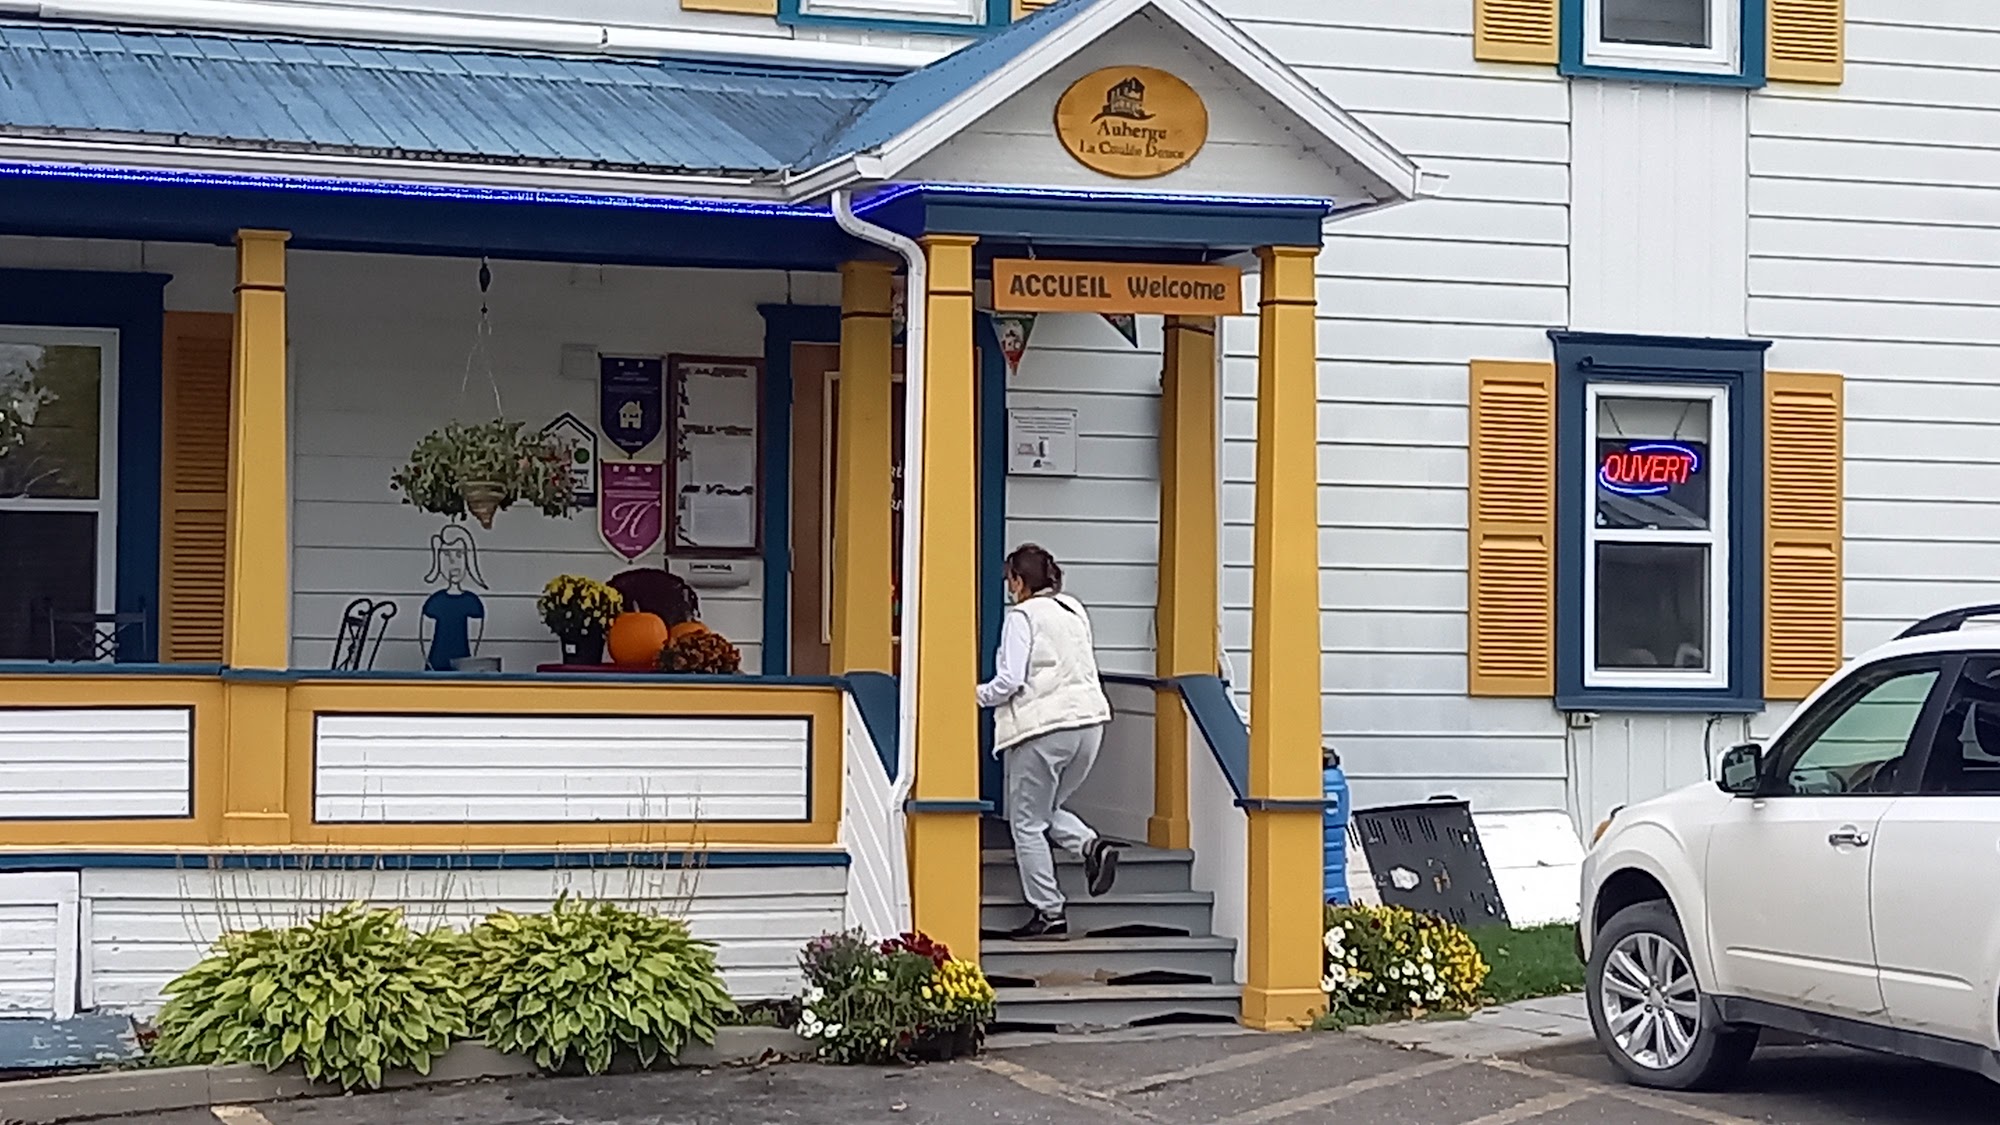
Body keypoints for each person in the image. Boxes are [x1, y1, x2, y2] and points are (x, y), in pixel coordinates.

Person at [978, 543, 1118, 940]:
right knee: (1045, 808)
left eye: (1011, 580)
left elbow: (1010, 681)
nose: (1010, 588)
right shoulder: (1073, 609)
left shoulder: (1022, 617)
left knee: (1026, 823)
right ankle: (1090, 846)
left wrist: (973, 695)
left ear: (1019, 581)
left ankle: (1049, 910)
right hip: (1090, 724)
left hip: (1043, 728)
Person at [420, 523, 486, 671]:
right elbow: (425, 636)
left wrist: (470, 666)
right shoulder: (435, 601)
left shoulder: (472, 602)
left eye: (459, 554)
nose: (452, 561)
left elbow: (475, 642)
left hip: (463, 665)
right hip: (436, 665)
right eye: (446, 554)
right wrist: (430, 665)